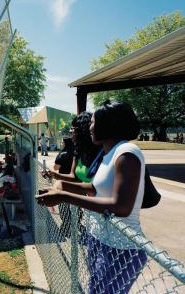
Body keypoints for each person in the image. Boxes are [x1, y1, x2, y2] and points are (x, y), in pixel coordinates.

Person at [36, 100, 147, 293]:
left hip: (120, 248)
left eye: (93, 122)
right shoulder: (108, 153)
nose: (90, 128)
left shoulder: (127, 153)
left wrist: (64, 196)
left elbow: (121, 206)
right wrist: (61, 187)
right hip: (98, 240)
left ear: (109, 124)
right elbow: (93, 187)